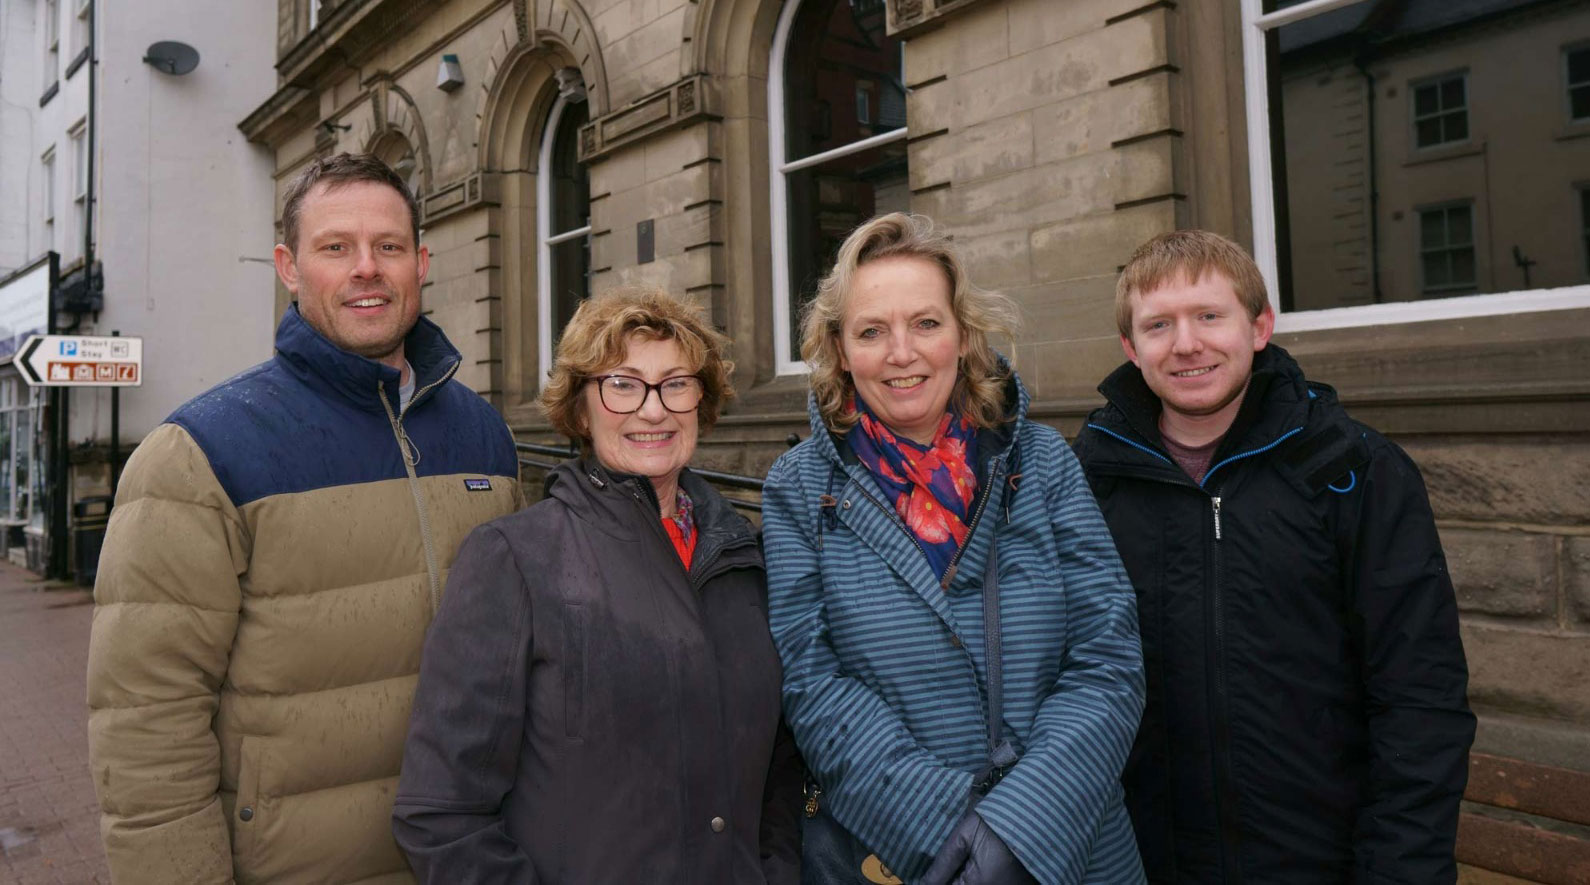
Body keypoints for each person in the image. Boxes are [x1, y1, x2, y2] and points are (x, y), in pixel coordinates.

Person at [85, 153, 524, 884]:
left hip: (467, 859)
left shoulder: (485, 436)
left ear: (420, 262)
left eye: (387, 247)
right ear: (289, 267)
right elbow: (145, 725)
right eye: (335, 247)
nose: (366, 269)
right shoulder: (199, 454)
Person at [1072, 230, 1476, 883]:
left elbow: (1419, 697)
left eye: (1210, 315)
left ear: (1260, 326)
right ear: (1130, 347)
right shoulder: (1085, 481)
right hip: (1142, 863)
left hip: (1323, 861)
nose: (1186, 343)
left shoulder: (1353, 470)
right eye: (1158, 324)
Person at [761, 213, 1146, 885]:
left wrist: (1018, 830)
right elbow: (812, 683)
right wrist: (953, 825)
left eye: (926, 323)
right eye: (872, 331)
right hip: (904, 857)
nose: (901, 352)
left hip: (1072, 849)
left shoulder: (1043, 461)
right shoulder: (798, 490)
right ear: (840, 350)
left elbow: (1107, 659)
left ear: (963, 335)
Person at [392, 288, 803, 883]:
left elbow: (780, 775)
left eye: (676, 383)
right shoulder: (515, 560)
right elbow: (442, 812)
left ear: (701, 402)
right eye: (623, 383)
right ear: (581, 410)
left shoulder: (745, 558)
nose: (654, 409)